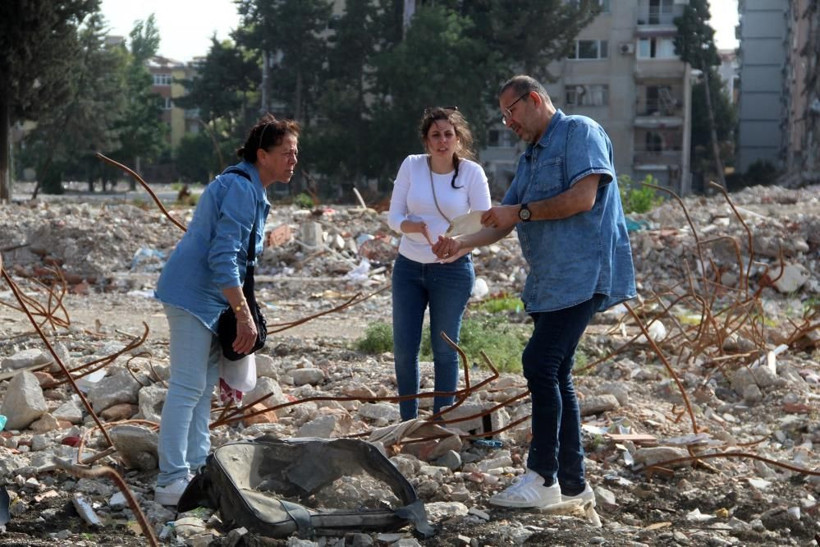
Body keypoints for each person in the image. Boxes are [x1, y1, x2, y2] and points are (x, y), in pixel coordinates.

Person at [433, 75, 636, 509]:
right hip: (550, 281)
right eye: (503, 116)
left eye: (513, 111)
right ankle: (575, 485)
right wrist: (462, 243)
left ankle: (542, 477)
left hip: (584, 271)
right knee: (557, 373)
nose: (509, 122)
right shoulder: (530, 158)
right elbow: (502, 219)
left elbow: (583, 197)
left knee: (538, 362)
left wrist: (520, 210)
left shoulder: (579, 132)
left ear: (536, 99)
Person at [153, 114, 300, 506]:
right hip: (192, 296)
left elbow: (239, 256)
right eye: (286, 153)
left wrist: (238, 308)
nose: (293, 160)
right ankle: (170, 479)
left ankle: (199, 469)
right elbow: (223, 256)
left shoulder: (253, 192)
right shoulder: (239, 188)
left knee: (201, 389)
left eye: (295, 154)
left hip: (212, 300)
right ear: (261, 155)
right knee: (186, 387)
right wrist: (243, 313)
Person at [387, 106, 492, 421]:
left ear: (458, 139)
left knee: (445, 350)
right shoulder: (412, 166)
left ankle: (441, 422)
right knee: (405, 351)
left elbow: (485, 222)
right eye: (436, 135)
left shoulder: (472, 173)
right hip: (409, 266)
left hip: (453, 270)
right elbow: (394, 217)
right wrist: (413, 227)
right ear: (426, 140)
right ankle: (408, 422)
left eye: (449, 134)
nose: (442, 141)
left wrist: (457, 246)